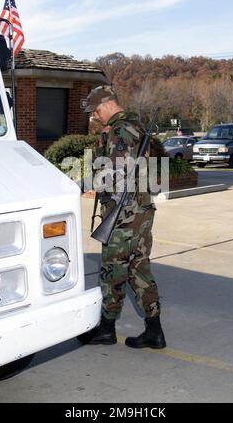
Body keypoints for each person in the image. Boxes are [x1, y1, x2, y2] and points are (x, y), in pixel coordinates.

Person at [80, 85, 166, 349]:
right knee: (139, 269)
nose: (95, 117)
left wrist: (87, 178)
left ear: (107, 105)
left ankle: (106, 329)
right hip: (140, 211)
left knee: (112, 270)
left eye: (96, 112)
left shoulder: (121, 131)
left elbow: (113, 175)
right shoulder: (134, 127)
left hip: (124, 215)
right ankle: (154, 330)